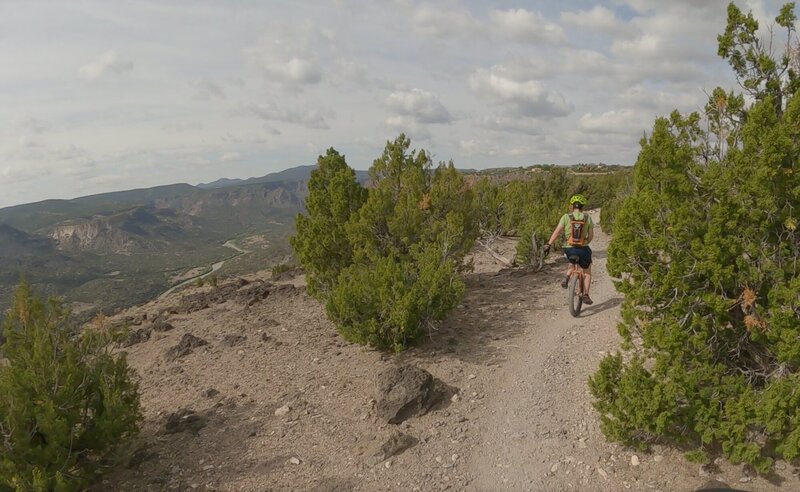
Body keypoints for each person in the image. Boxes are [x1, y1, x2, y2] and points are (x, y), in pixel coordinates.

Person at [543, 194, 594, 305]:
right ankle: (585, 294)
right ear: (582, 206)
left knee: (572, 261)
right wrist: (585, 242)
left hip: (568, 248)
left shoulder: (566, 217)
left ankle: (567, 277)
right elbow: (590, 236)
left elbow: (557, 232)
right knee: (587, 271)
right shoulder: (587, 218)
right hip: (583, 248)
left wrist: (549, 244)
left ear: (572, 206)